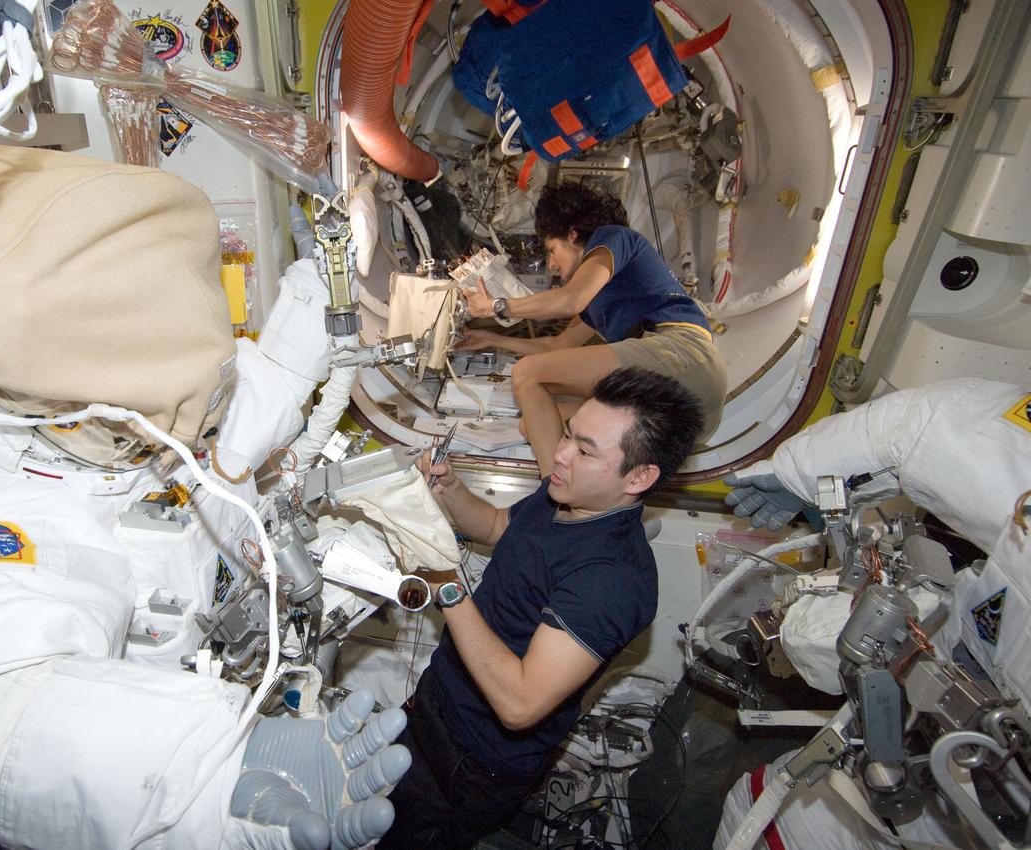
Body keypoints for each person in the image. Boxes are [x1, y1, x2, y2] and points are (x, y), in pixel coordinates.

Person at [0, 142, 408, 850]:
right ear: (51, 410)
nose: (184, 430)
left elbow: (256, 389)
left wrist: (340, 249)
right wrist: (208, 774)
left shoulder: (102, 355)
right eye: (157, 423)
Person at [378, 367, 705, 849]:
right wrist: (449, 491)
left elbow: (520, 704)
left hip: (473, 760)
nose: (560, 453)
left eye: (585, 450)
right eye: (569, 433)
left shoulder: (613, 579)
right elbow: (495, 526)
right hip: (437, 704)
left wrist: (447, 584)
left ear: (639, 476)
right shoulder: (564, 498)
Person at [716, 377, 1030, 850]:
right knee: (767, 811)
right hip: (942, 700)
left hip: (977, 790)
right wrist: (801, 474)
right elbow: (926, 427)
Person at [461, 183, 727, 476]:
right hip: (682, 414)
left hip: (685, 357)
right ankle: (580, 499)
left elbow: (570, 299)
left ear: (573, 235)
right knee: (535, 423)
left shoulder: (613, 238)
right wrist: (491, 338)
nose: (551, 264)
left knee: (527, 373)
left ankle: (553, 494)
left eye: (552, 249)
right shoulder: (597, 298)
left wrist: (497, 306)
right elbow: (558, 346)